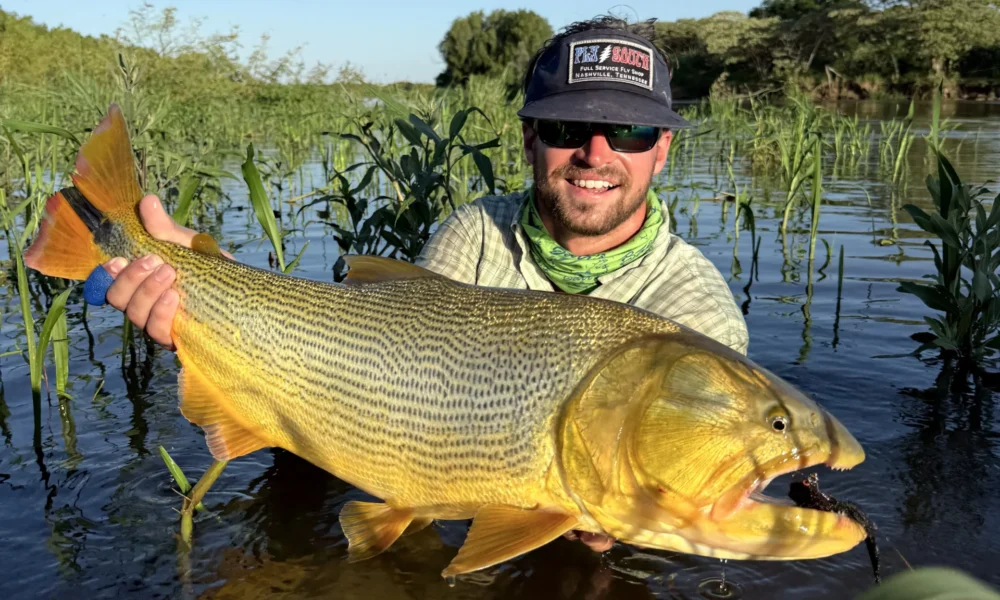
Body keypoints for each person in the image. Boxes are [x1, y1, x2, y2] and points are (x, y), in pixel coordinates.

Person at [100, 16, 748, 553]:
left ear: (661, 148)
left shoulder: (696, 314)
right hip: (424, 478)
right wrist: (205, 305)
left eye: (629, 132)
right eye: (567, 129)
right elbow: (387, 368)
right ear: (529, 139)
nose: (596, 153)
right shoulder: (474, 233)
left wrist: (620, 516)